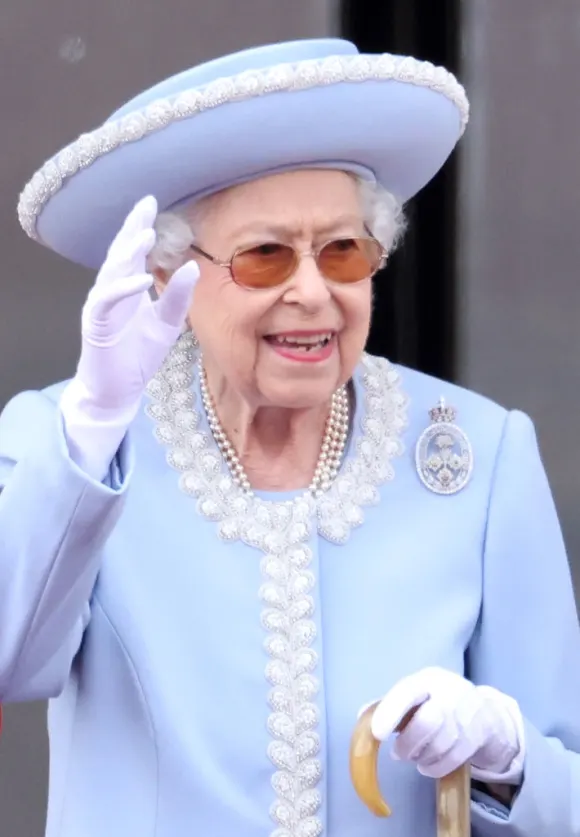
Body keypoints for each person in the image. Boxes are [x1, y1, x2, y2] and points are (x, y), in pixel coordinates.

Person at [2, 36, 580, 837]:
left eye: (343, 252)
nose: (313, 292)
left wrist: (506, 757)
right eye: (266, 257)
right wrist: (95, 421)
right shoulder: (72, 442)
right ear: (170, 274)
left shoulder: (481, 454)